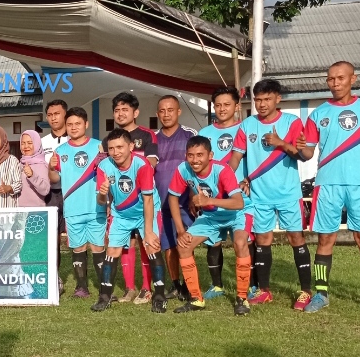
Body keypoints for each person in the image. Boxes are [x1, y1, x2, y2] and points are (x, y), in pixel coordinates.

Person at [298, 61, 360, 316]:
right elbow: (307, 153)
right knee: (325, 239)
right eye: (330, 79)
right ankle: (321, 294)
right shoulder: (318, 114)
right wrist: (301, 146)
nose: (335, 83)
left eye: (340, 78)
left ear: (353, 79)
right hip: (327, 184)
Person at [230, 78, 314, 310]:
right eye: (258, 99)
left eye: (267, 99)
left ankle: (306, 291)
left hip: (288, 193)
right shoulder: (247, 126)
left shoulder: (292, 122)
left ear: (278, 99)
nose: (262, 104)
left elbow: (303, 155)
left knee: (295, 238)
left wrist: (280, 143)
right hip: (259, 195)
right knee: (262, 239)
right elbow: (236, 157)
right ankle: (264, 290)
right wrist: (229, 182)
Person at [167, 136, 252, 315]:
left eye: (200, 155)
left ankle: (242, 298)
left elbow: (238, 203)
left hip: (237, 213)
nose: (195, 160)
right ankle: (197, 299)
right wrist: (181, 231)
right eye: (191, 155)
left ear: (210, 155)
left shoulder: (223, 170)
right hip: (211, 215)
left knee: (240, 244)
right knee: (184, 246)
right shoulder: (183, 169)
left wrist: (208, 200)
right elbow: (173, 197)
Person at [94, 128, 164, 312]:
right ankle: (105, 297)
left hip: (145, 211)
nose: (115, 152)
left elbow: (148, 199)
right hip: (121, 214)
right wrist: (102, 194)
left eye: (120, 147)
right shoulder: (103, 167)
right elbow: (101, 201)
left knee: (152, 247)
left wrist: (148, 232)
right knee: (112, 251)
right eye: (111, 148)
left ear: (131, 146)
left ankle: (159, 295)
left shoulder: (142, 165)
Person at [197, 86, 253, 301]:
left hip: (240, 198)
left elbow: (254, 159)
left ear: (237, 106)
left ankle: (249, 285)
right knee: (214, 242)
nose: (222, 109)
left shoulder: (245, 129)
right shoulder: (205, 133)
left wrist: (249, 179)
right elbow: (197, 164)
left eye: (227, 104)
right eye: (218, 105)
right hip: (212, 198)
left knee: (244, 242)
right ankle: (217, 284)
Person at [104, 92, 160, 304]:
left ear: (135, 112)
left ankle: (147, 288)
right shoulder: (108, 139)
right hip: (120, 205)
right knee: (125, 245)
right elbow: (107, 173)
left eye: (125, 109)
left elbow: (151, 165)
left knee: (147, 242)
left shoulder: (147, 136)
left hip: (143, 199)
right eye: (117, 110)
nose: (120, 113)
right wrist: (109, 200)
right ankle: (129, 288)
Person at [48, 107, 106, 298]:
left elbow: (106, 174)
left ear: (86, 124)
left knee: (98, 247)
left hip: (95, 206)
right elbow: (54, 179)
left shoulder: (98, 146)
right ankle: (82, 287)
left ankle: (104, 288)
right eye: (70, 124)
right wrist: (51, 167)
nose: (73, 128)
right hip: (72, 208)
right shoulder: (60, 150)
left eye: (77, 124)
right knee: (78, 248)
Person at [154, 95, 198, 303]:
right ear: (157, 114)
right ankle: (175, 284)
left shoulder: (190, 135)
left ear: (179, 111)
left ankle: (191, 286)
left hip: (183, 203)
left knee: (185, 244)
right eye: (162, 111)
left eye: (170, 110)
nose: (166, 114)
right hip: (160, 202)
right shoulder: (153, 139)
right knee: (168, 246)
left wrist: (193, 194)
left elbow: (197, 168)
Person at [41, 100, 69, 293]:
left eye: (57, 114)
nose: (53, 118)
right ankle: (55, 277)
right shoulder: (42, 143)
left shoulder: (74, 138)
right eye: (50, 115)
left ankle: (82, 283)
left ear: (65, 115)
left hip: (72, 193)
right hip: (51, 194)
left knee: (75, 238)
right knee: (53, 237)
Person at [18, 130, 51, 207]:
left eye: (30, 143)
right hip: (19, 212)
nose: (26, 146)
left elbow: (45, 190)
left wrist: (32, 175)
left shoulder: (42, 165)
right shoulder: (19, 164)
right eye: (23, 143)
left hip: (36, 213)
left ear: (36, 144)